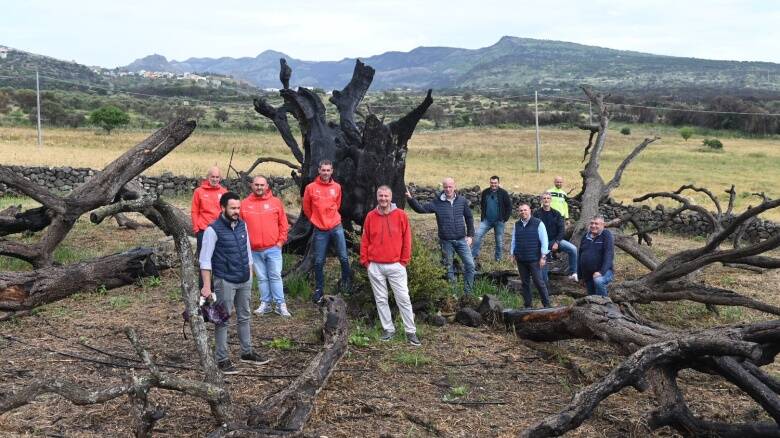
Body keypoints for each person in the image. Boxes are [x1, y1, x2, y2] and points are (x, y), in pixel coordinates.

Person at [200, 192, 269, 374]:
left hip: (244, 278)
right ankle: (221, 358)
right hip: (224, 280)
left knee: (245, 316)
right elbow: (205, 260)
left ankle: (246, 352)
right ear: (222, 208)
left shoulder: (242, 226)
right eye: (233, 208)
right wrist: (207, 287)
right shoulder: (212, 230)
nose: (237, 211)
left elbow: (247, 250)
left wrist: (250, 271)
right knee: (222, 318)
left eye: (238, 207)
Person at [360, 186, 420, 346]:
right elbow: (365, 239)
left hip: (396, 265)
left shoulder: (400, 215)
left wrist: (403, 261)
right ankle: (389, 329)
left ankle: (410, 332)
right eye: (381, 196)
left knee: (404, 299)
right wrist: (366, 261)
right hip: (375, 265)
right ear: (377, 197)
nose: (383, 199)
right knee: (380, 299)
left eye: (386, 196)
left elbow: (407, 239)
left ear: (391, 197)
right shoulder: (370, 216)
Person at [406, 177, 475, 295]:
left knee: (470, 265)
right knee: (448, 269)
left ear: (454, 187)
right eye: (446, 187)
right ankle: (453, 295)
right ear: (443, 188)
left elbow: (469, 217)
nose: (448, 189)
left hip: (461, 240)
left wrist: (470, 235)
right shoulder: (437, 203)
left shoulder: (462, 201)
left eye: (450, 187)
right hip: (446, 242)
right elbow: (421, 209)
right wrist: (411, 199)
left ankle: (467, 294)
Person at [303, 160, 351, 304]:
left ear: (332, 171)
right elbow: (306, 207)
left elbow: (337, 204)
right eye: (323, 170)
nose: (325, 172)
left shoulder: (336, 187)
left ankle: (346, 284)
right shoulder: (311, 188)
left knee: (343, 257)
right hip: (320, 229)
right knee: (319, 261)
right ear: (319, 170)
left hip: (336, 226)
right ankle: (319, 289)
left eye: (328, 170)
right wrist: (315, 219)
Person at [241, 176, 290, 317]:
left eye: (262, 185)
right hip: (254, 250)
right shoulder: (244, 204)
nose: (259, 187)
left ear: (267, 186)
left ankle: (281, 305)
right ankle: (266, 304)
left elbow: (283, 224)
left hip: (273, 248)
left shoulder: (275, 202)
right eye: (256, 185)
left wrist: (280, 242)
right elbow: (240, 227)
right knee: (262, 278)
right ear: (252, 185)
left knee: (275, 276)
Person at [191, 166, 228, 287]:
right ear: (208, 177)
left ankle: (219, 288)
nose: (215, 179)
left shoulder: (224, 192)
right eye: (213, 177)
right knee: (205, 261)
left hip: (220, 231)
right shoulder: (199, 191)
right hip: (204, 230)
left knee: (220, 260)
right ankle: (205, 290)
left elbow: (227, 212)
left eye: (217, 177)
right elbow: (194, 211)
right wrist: (196, 229)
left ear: (220, 178)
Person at [510, 203, 551, 308]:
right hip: (521, 259)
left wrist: (543, 257)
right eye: (521, 210)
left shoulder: (538, 223)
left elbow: (544, 241)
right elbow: (514, 240)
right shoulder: (516, 224)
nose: (523, 212)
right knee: (525, 283)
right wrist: (512, 253)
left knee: (539, 282)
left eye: (525, 210)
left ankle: (547, 305)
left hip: (535, 259)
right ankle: (528, 305)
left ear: (530, 211)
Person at [533, 192, 578, 283]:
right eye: (544, 198)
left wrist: (557, 242)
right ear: (541, 200)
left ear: (551, 200)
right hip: (542, 243)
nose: (546, 200)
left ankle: (573, 273)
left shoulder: (556, 214)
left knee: (573, 249)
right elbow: (534, 230)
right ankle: (543, 282)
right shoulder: (536, 214)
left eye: (548, 198)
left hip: (555, 240)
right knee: (543, 272)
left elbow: (561, 230)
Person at [471, 175, 513, 262]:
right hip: (487, 221)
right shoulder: (485, 192)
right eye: (492, 183)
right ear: (490, 182)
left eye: (495, 183)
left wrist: (505, 218)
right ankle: (473, 256)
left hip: (499, 221)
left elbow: (509, 206)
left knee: (499, 242)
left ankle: (498, 259)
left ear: (498, 183)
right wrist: (483, 216)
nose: (493, 184)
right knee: (477, 235)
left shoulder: (503, 193)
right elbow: (482, 204)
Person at [577, 215, 614, 297]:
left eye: (596, 224)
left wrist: (601, 272)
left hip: (605, 272)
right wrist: (580, 276)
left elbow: (609, 255)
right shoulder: (585, 236)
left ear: (602, 225)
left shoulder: (606, 235)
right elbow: (580, 256)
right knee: (592, 297)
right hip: (588, 275)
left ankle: (606, 304)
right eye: (592, 223)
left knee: (598, 281)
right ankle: (596, 308)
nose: (593, 226)